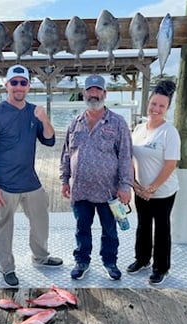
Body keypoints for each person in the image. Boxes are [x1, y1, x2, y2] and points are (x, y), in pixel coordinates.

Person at [0, 64, 63, 287]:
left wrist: (44, 119)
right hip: (3, 185)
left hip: (30, 182)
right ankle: (7, 268)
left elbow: (50, 141)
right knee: (5, 227)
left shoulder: (34, 112)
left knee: (41, 221)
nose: (19, 87)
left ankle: (41, 257)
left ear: (29, 86)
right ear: (7, 86)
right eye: (14, 82)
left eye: (23, 83)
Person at [59, 74, 133, 281]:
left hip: (108, 191)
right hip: (80, 189)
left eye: (97, 90)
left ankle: (110, 262)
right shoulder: (75, 123)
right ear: (84, 93)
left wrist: (125, 186)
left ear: (104, 93)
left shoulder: (118, 123)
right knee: (82, 228)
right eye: (89, 90)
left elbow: (126, 156)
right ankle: (82, 261)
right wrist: (64, 180)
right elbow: (66, 153)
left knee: (109, 230)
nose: (93, 94)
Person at [127, 79, 180, 286]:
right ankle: (142, 259)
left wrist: (153, 188)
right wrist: (133, 182)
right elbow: (130, 157)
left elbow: (170, 164)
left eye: (161, 106)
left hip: (163, 191)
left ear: (167, 108)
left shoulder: (169, 132)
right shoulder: (139, 128)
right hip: (140, 190)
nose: (156, 109)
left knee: (162, 228)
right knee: (143, 225)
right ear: (147, 103)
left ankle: (161, 267)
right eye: (153, 104)